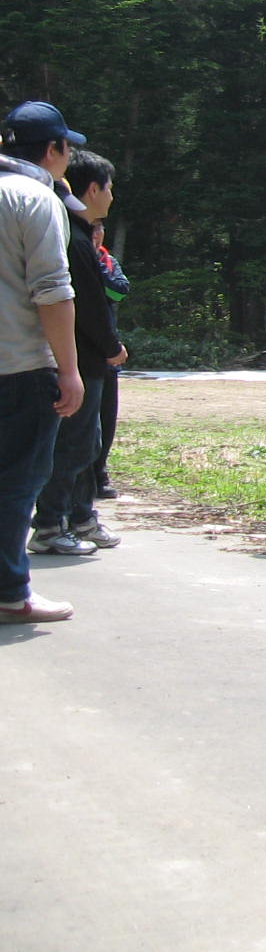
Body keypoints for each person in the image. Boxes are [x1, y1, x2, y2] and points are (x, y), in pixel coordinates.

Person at [0, 101, 86, 622]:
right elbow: (52, 291)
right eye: (67, 148)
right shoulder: (35, 198)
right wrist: (69, 369)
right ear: (53, 149)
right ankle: (10, 592)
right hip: (19, 365)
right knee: (17, 481)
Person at [28, 149, 124, 555]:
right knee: (73, 445)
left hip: (87, 361)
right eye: (109, 188)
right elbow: (86, 305)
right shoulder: (75, 239)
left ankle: (82, 516)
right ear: (93, 190)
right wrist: (111, 346)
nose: (112, 196)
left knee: (88, 443)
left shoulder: (80, 234)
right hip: (81, 360)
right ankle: (50, 524)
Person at [91, 221, 129, 499]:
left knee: (106, 415)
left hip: (107, 351)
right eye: (91, 229)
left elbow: (118, 291)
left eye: (99, 229)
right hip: (79, 350)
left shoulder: (108, 261)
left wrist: (97, 266)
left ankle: (99, 472)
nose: (96, 234)